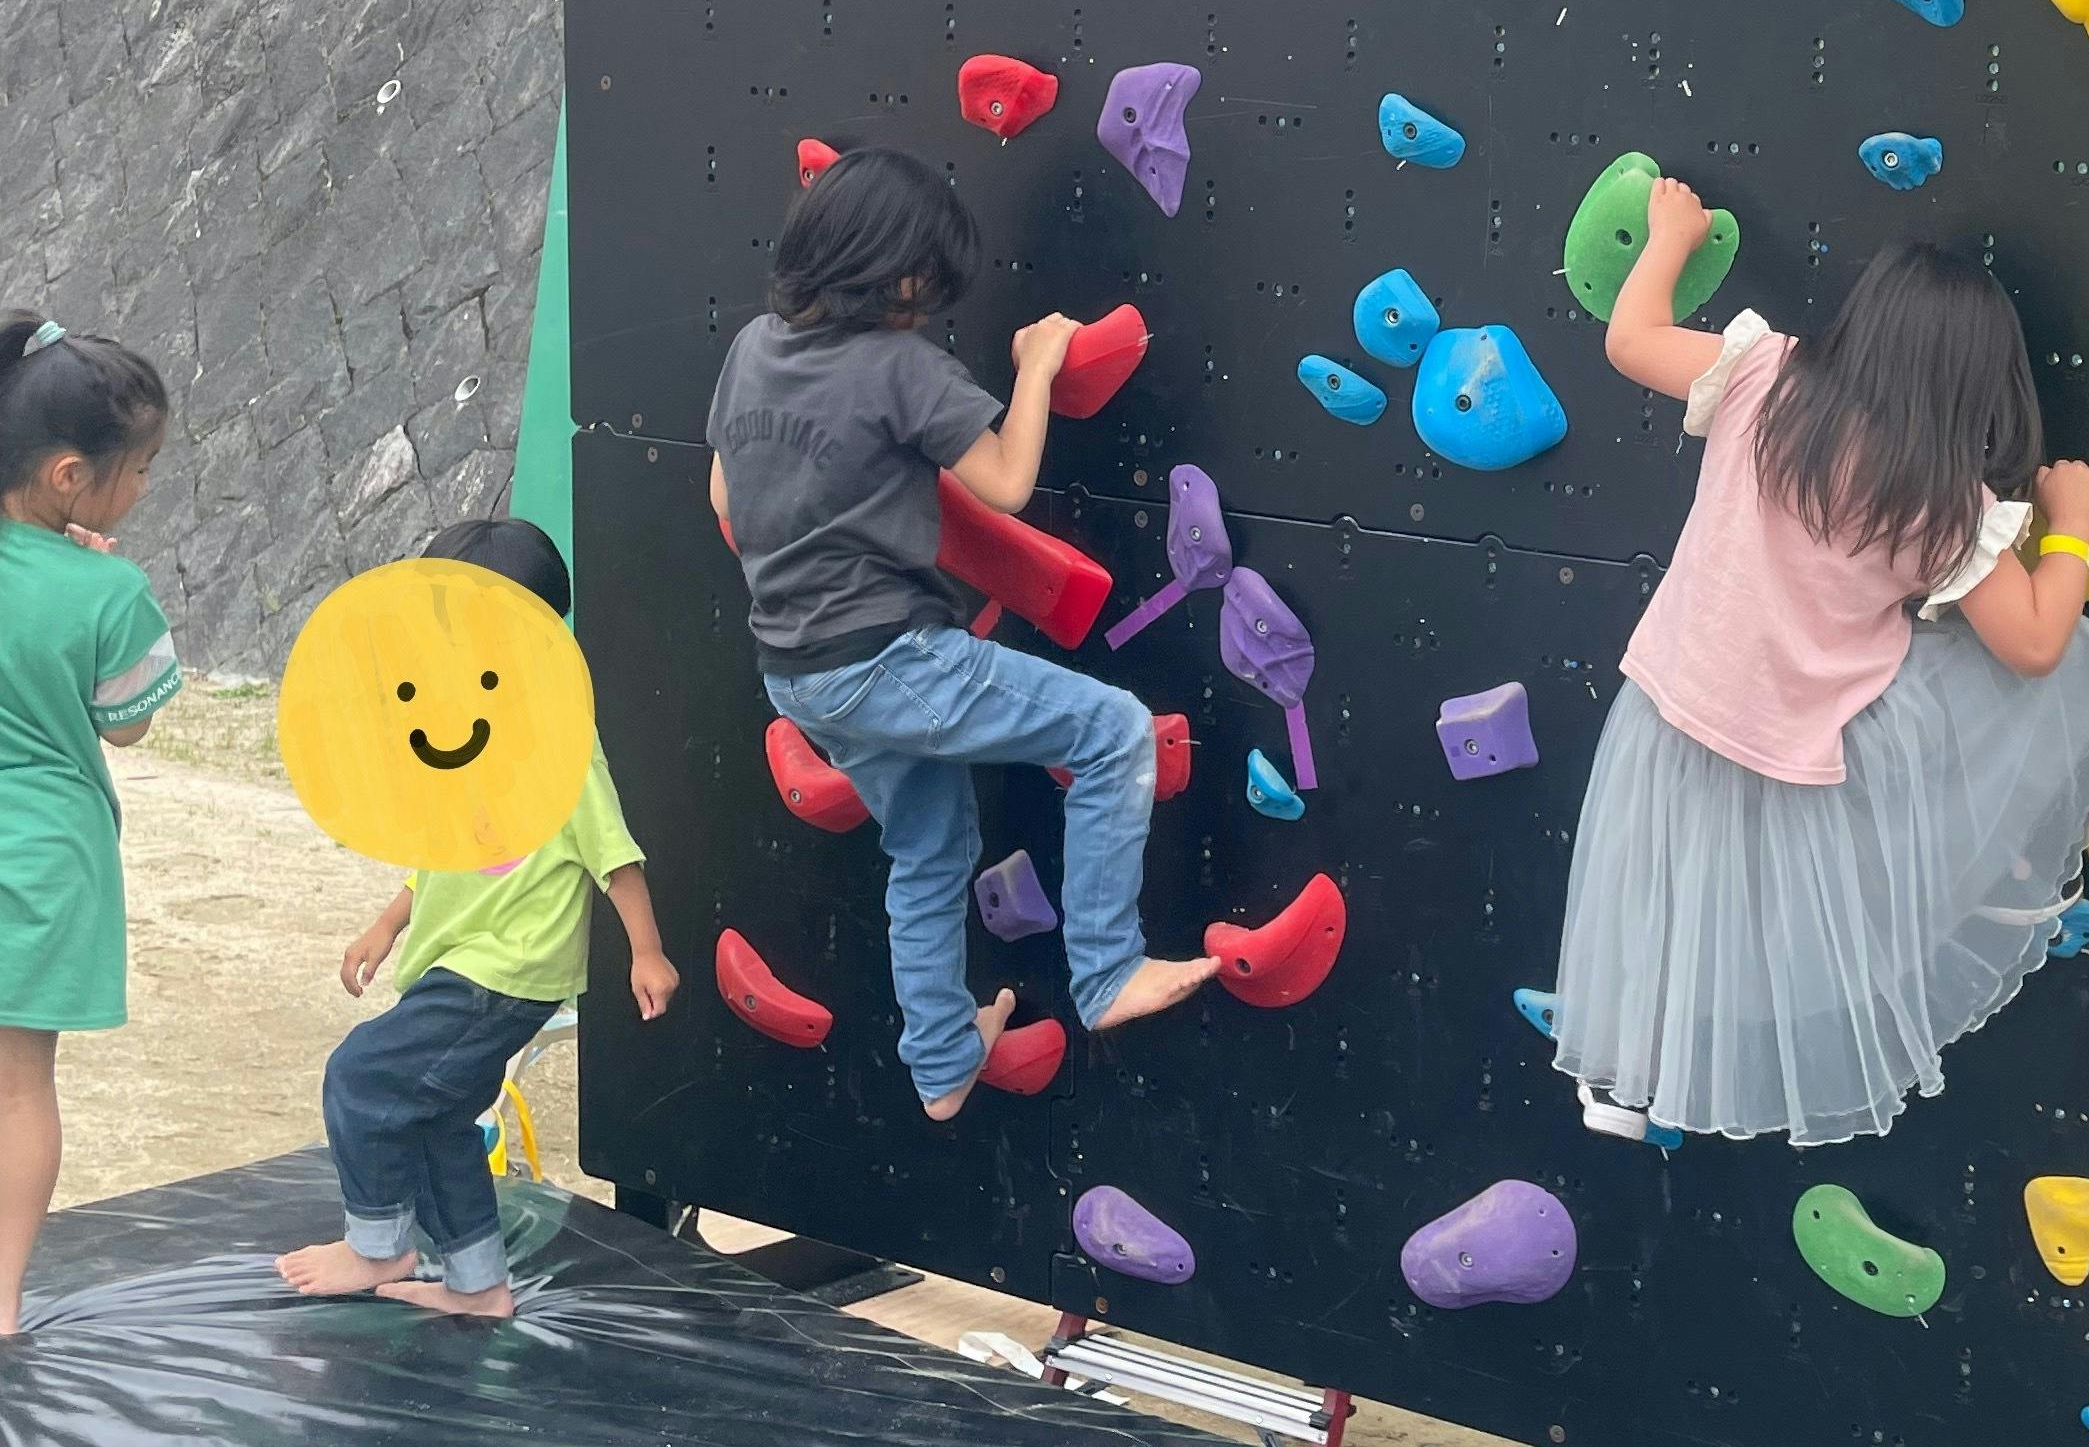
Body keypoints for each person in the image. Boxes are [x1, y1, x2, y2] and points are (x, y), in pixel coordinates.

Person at [1553, 188, 2089, 1148]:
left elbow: (1630, 339)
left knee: (1655, 897)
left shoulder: (1765, 377)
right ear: (1978, 382)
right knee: (1757, 923)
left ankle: (1624, 1077)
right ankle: (1723, 1073)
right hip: (1795, 753)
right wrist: (2074, 523)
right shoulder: (1944, 503)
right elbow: (2038, 645)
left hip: (1667, 707)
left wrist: (1671, 235)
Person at [707, 147, 1208, 1116]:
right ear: (894, 271)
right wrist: (1040, 366)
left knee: (931, 849)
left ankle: (941, 1065)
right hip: (888, 657)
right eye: (926, 283)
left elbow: (726, 493)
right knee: (1111, 730)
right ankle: (1109, 971)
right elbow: (1008, 483)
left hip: (797, 670)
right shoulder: (900, 366)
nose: (929, 306)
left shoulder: (754, 349)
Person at [277, 518, 675, 1321]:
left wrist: (647, 952)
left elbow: (613, 854)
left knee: (361, 1075)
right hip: (461, 959)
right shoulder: (464, 732)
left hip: (505, 970)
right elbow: (446, 853)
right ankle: (478, 1284)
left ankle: (378, 1243)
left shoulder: (561, 742)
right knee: (436, 1117)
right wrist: (388, 923)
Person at [0, 318, 181, 1337]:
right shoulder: (110, 589)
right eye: (140, 469)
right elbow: (129, 722)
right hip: (43, 857)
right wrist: (96, 576)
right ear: (71, 476)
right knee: (18, 1089)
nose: (144, 488)